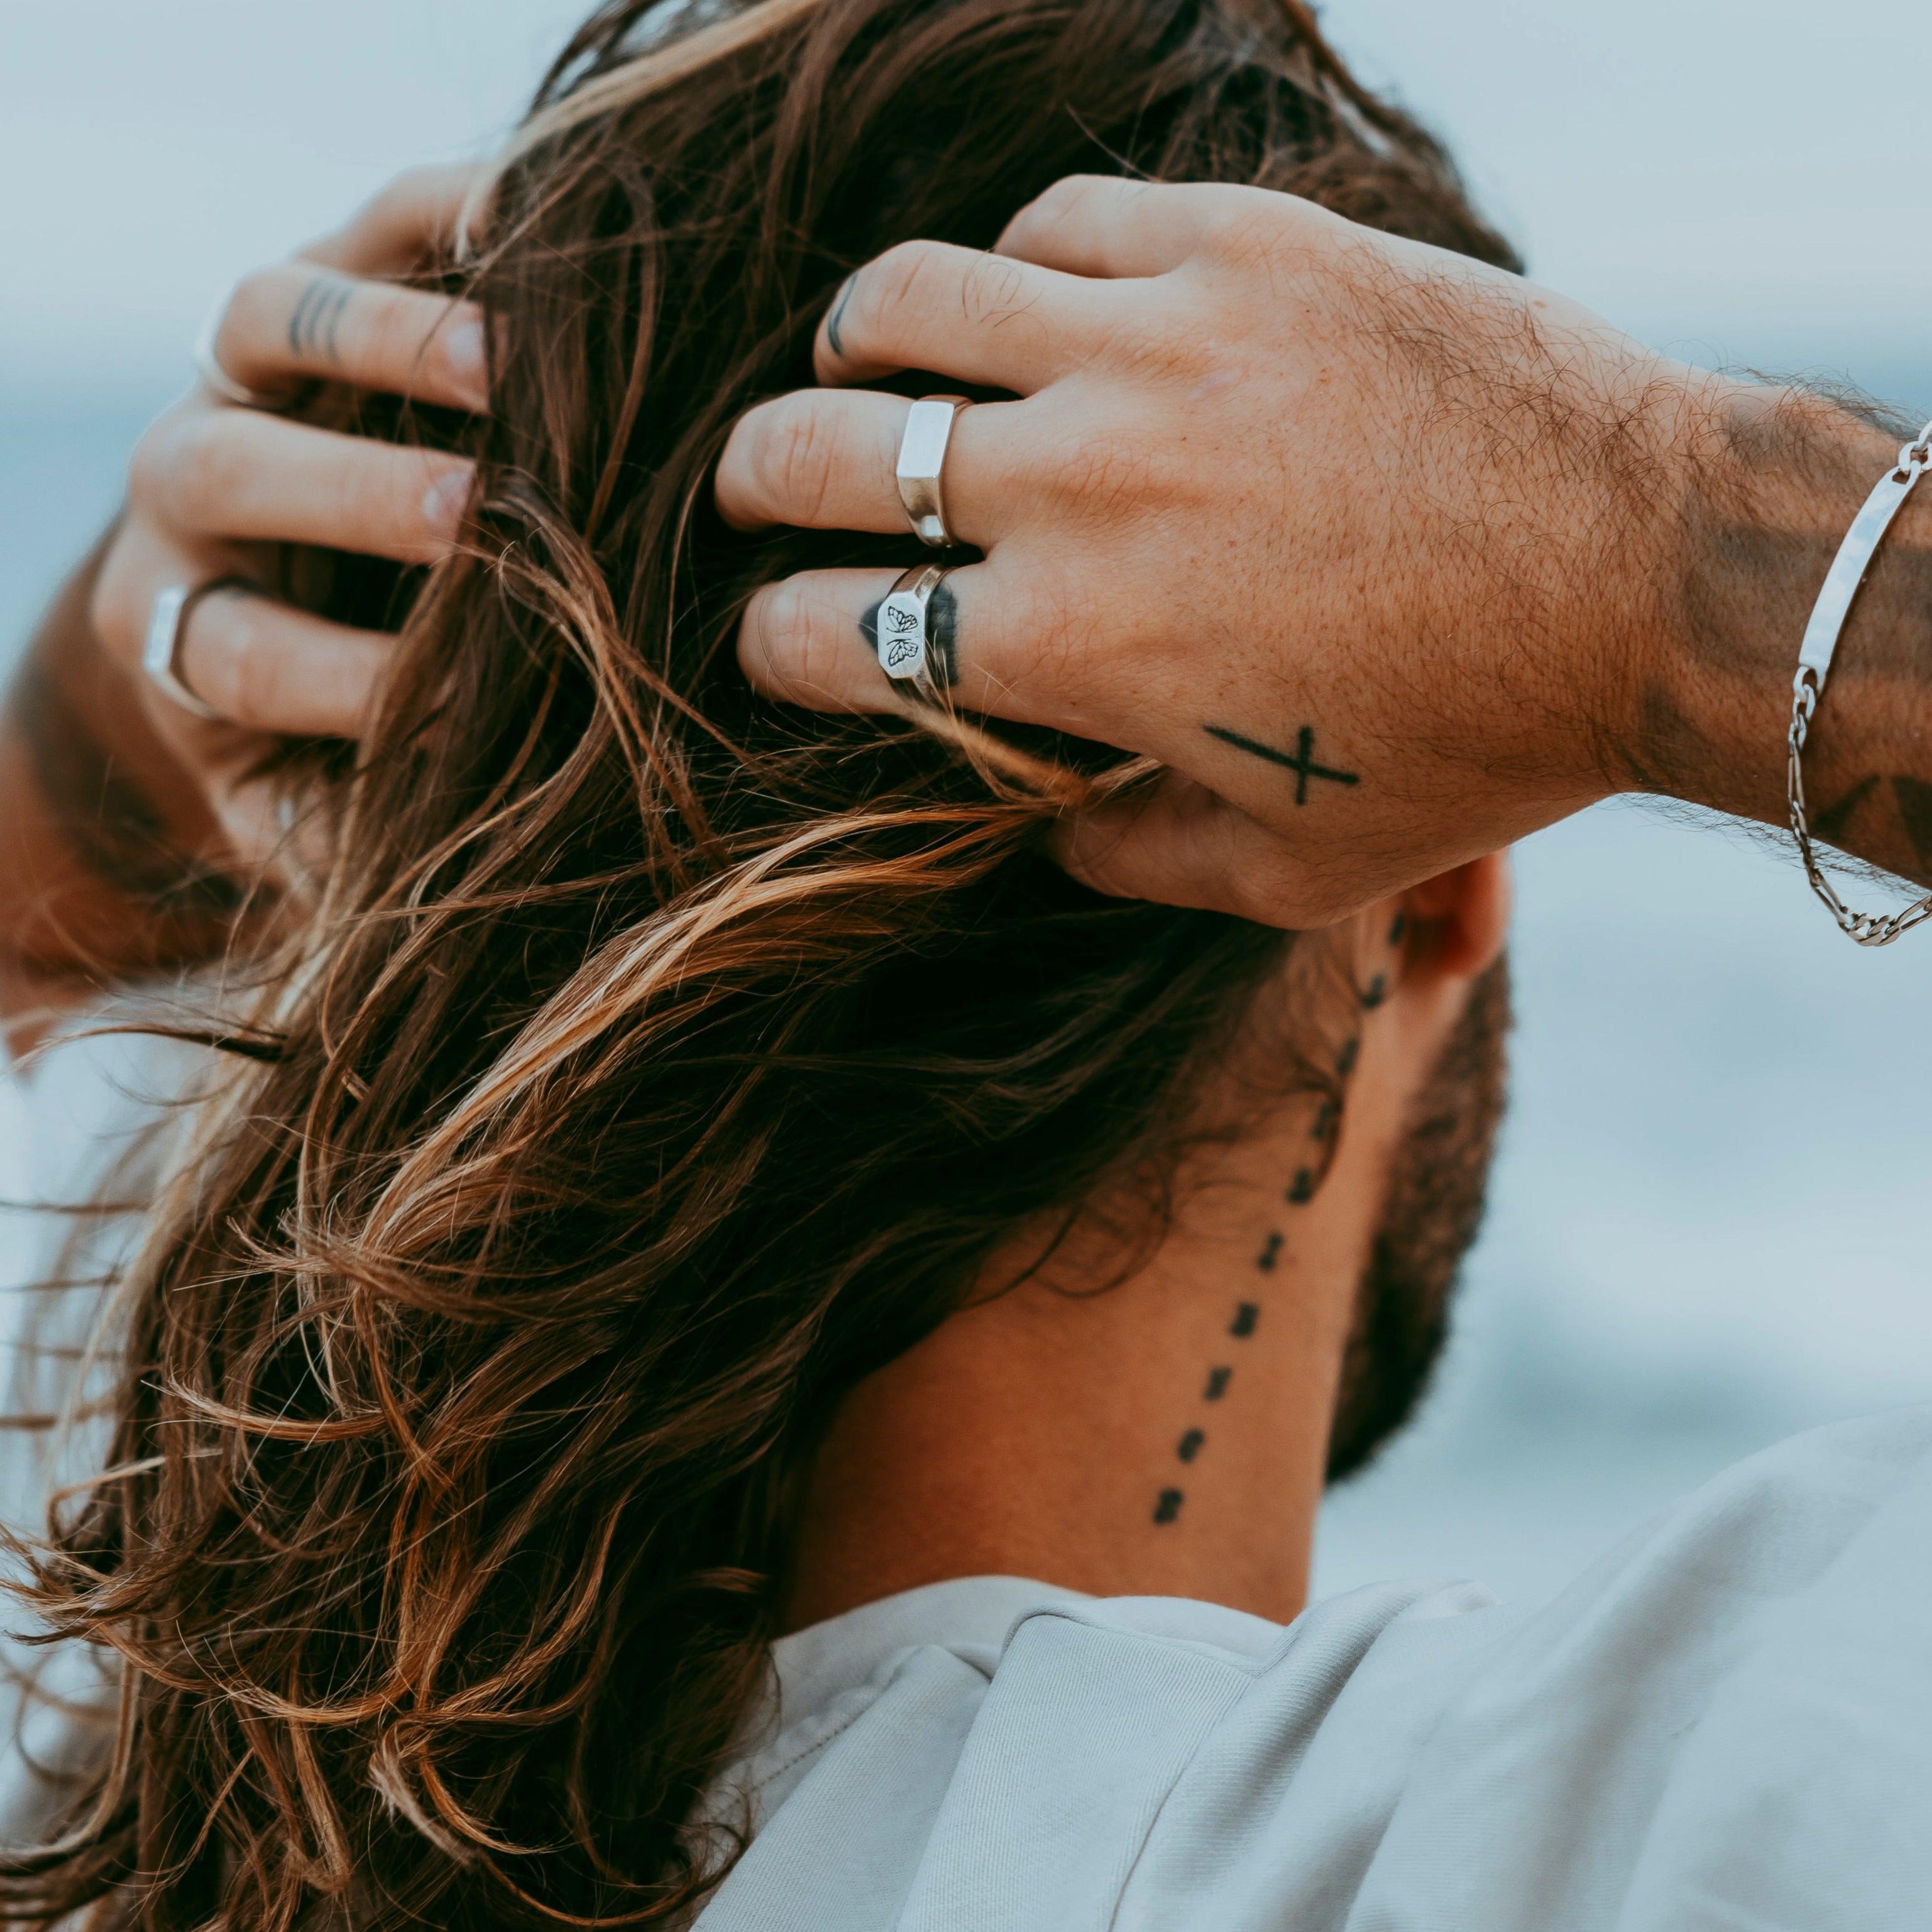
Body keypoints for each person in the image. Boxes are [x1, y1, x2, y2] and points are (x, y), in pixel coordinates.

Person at [0, 8, 1925, 1932]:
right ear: (1426, 893)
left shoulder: (162, 1733)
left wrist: (89, 752)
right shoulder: (1645, 1815)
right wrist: (1647, 550)